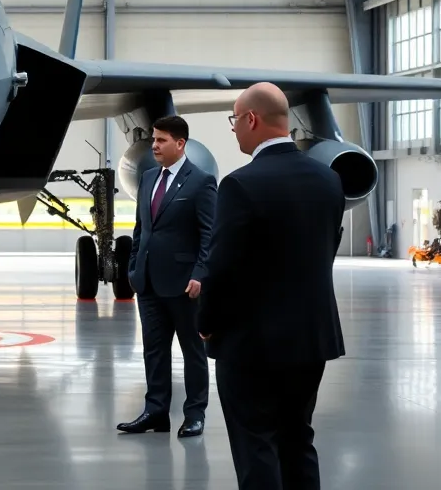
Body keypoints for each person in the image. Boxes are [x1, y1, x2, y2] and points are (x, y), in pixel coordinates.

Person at [197, 82, 346, 490]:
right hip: (311, 339)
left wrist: (206, 321)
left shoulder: (241, 184)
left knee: (256, 446)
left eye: (233, 120)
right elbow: (325, 250)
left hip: (251, 345)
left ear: (250, 119)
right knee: (299, 438)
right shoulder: (328, 180)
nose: (233, 129)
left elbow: (222, 267)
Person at [118, 114, 216, 438]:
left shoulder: (200, 182)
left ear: (180, 143)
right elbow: (140, 228)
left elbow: (209, 235)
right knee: (154, 351)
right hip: (148, 283)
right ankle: (155, 411)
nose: (154, 146)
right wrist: (134, 267)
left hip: (186, 285)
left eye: (160, 141)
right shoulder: (147, 178)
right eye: (154, 139)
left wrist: (201, 274)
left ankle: (195, 414)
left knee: (192, 351)